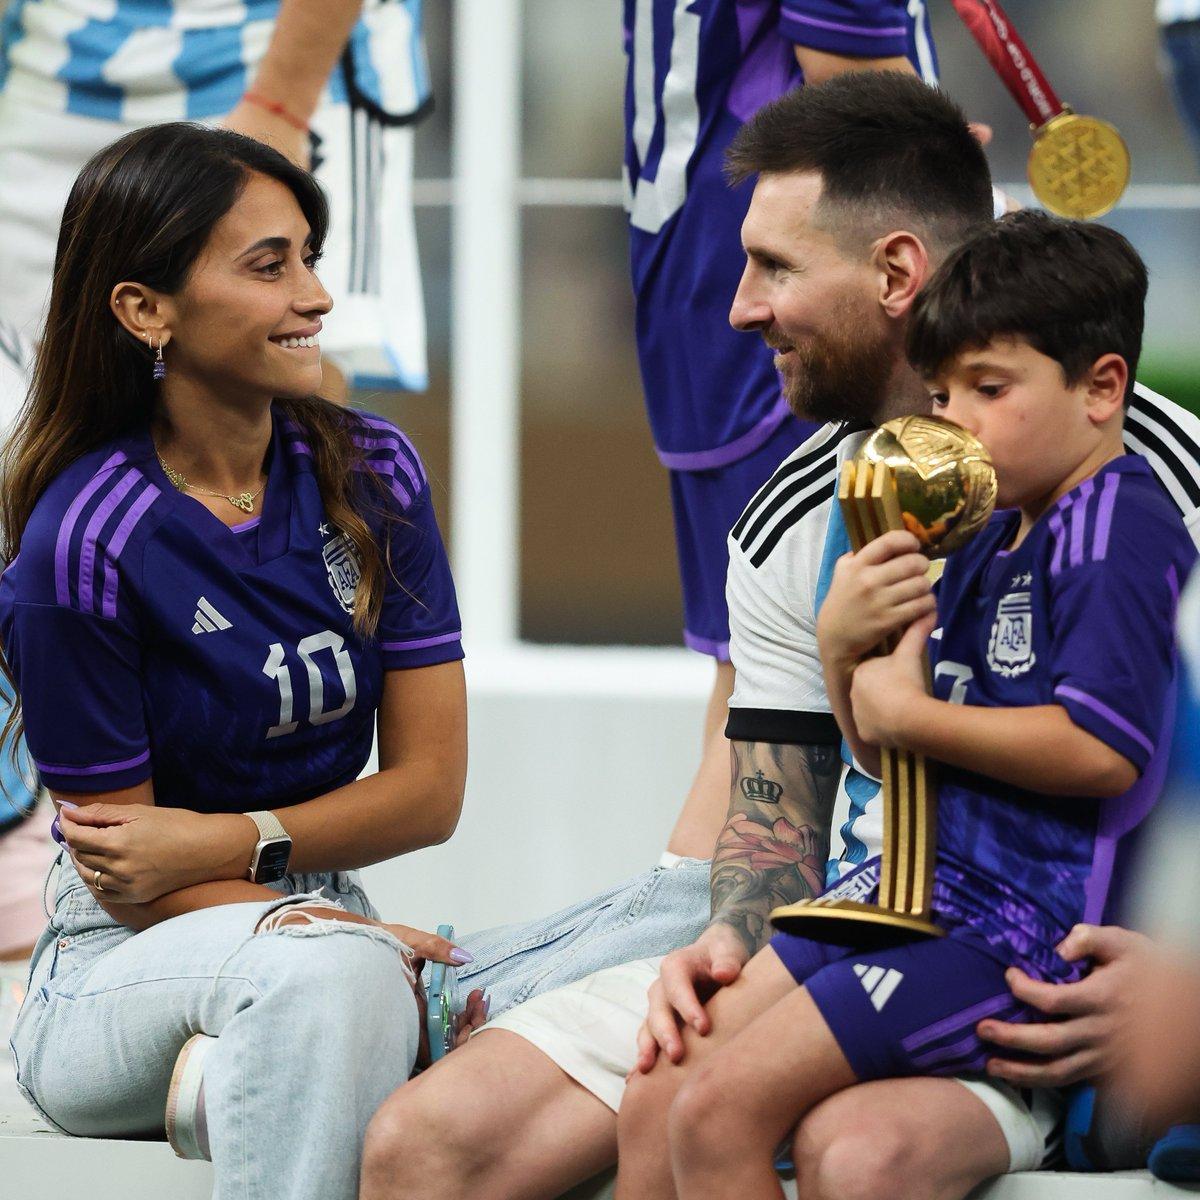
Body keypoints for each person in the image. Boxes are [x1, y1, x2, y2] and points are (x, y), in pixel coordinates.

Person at [360, 75, 1200, 1200]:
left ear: (896, 272)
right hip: (837, 935)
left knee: (839, 1148)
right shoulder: (796, 514)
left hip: (1060, 975)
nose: (739, 309)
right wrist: (726, 944)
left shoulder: (1155, 486)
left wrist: (1177, 979)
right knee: (427, 1150)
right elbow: (779, 819)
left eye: (773, 266)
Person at [613, 209, 1198, 1200]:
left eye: (989, 389)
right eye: (939, 393)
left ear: (1103, 388)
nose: (954, 422)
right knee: (663, 1088)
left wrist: (906, 712)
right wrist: (846, 656)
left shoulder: (1121, 523)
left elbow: (1107, 752)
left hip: (1004, 932)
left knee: (717, 1112)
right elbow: (887, 754)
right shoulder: (982, 531)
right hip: (903, 897)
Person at [1, 122, 476, 1200]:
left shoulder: (374, 472)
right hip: (122, 967)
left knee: (669, 922)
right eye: (270, 265)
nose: (314, 295)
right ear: (144, 309)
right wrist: (306, 920)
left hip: (320, 926)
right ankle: (275, 1057)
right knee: (341, 982)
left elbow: (431, 793)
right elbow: (134, 879)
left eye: (309, 255)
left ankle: (239, 1082)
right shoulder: (84, 544)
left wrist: (242, 846)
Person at [622, 0, 937, 859]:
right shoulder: (810, 456)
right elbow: (859, 81)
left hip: (687, 298)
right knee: (750, 759)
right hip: (808, 335)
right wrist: (964, 194)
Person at [0, 0, 429, 396]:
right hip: (57, 57)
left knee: (289, 365)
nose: (320, 297)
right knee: (36, 386)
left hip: (276, 49)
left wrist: (280, 104)